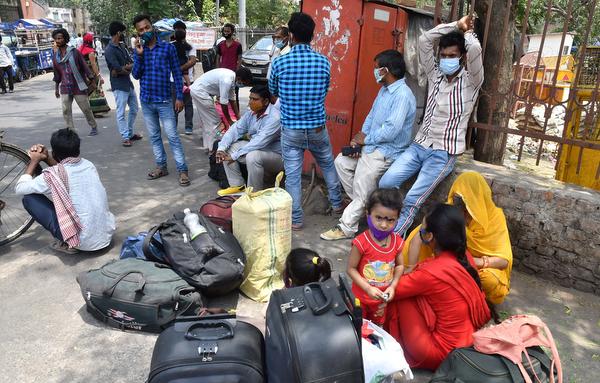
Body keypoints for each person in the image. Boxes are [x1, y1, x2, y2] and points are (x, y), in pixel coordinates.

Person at [378, 15, 483, 236]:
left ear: (462, 57)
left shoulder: (472, 81)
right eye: (443, 55)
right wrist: (455, 25)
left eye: (452, 56)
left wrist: (466, 32)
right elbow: (425, 40)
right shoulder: (435, 75)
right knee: (386, 181)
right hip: (419, 146)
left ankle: (392, 242)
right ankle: (387, 225)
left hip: (442, 154)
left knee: (412, 200)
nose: (447, 59)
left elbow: (474, 50)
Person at [321, 50, 416, 241]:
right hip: (372, 147)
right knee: (342, 162)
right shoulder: (384, 91)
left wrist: (367, 140)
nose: (374, 71)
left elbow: (391, 130)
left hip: (386, 151)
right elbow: (371, 117)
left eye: (376, 68)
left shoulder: (402, 96)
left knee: (362, 183)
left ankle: (346, 227)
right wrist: (359, 141)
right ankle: (366, 206)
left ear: (385, 70)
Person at [384, 203, 491, 370]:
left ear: (429, 236)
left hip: (441, 353)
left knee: (400, 298)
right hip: (466, 344)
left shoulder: (431, 272)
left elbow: (391, 290)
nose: (421, 232)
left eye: (423, 230)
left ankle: (391, 343)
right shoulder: (466, 258)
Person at [269, 12, 344, 230]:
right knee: (328, 164)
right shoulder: (323, 62)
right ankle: (338, 206)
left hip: (291, 129)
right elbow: (325, 89)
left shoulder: (280, 62)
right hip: (317, 127)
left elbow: (273, 92)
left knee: (292, 176)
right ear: (312, 35)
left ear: (290, 35)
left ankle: (296, 220)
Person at [402, 171, 513, 304]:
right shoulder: (449, 212)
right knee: (422, 237)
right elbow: (419, 237)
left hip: (471, 265)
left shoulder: (495, 218)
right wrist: (411, 267)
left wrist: (470, 262)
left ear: (478, 201)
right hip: (449, 263)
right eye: (458, 204)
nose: (463, 213)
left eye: (467, 208)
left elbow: (503, 261)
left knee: (489, 280)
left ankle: (467, 294)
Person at [15, 129, 115, 254]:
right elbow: (64, 170)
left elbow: (20, 188)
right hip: (106, 235)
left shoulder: (52, 175)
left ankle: (68, 243)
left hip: (82, 242)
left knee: (29, 199)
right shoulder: (88, 165)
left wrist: (34, 161)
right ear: (78, 150)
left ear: (55, 153)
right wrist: (47, 159)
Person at [132, 14, 190, 187]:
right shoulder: (139, 51)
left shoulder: (167, 48)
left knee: (172, 136)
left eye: (147, 27)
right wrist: (139, 56)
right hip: (147, 101)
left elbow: (177, 73)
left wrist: (179, 96)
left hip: (165, 100)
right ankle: (161, 166)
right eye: (140, 30)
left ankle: (182, 170)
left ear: (152, 27)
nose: (144, 31)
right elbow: (135, 74)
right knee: (155, 136)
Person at [347, 189, 405, 326]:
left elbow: (400, 265)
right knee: (358, 328)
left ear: (397, 219)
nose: (384, 225)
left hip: (381, 301)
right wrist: (367, 288)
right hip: (360, 299)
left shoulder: (397, 242)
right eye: (378, 218)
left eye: (390, 220)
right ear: (368, 213)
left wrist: (393, 286)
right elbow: (351, 269)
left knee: (376, 329)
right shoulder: (361, 242)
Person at [216, 86, 283, 194]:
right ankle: (238, 186)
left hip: (277, 157)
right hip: (258, 150)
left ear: (266, 101)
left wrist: (235, 156)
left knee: (253, 156)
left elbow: (260, 141)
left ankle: (254, 193)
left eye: (255, 99)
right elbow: (235, 130)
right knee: (228, 148)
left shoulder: (275, 117)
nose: (251, 102)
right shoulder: (251, 114)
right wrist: (221, 148)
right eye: (250, 98)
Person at [190, 67, 252, 152]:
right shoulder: (227, 80)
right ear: (239, 78)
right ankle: (213, 148)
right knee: (215, 123)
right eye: (244, 83)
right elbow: (224, 103)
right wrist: (229, 121)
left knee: (208, 122)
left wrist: (238, 118)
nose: (244, 85)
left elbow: (232, 99)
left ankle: (208, 147)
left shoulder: (232, 79)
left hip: (198, 91)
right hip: (200, 92)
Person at [51, 28, 98, 135]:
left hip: (78, 86)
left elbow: (84, 66)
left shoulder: (74, 52)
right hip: (65, 87)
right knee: (66, 111)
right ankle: (70, 130)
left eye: (60, 38)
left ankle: (93, 126)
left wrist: (92, 80)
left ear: (65, 39)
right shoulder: (55, 57)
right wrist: (56, 89)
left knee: (86, 108)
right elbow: (57, 74)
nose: (57, 40)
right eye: (56, 39)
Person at [105, 21, 142, 147]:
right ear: (118, 33)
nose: (123, 34)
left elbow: (130, 63)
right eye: (122, 32)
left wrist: (124, 68)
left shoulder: (122, 47)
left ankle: (130, 133)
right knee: (121, 112)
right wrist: (124, 68)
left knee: (134, 108)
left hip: (127, 83)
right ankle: (126, 136)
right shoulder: (109, 50)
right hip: (119, 85)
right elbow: (116, 68)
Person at [171, 20, 197, 135]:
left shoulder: (191, 46)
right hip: (174, 81)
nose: (178, 31)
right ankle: (173, 127)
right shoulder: (170, 46)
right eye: (176, 29)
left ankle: (188, 126)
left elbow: (192, 61)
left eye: (180, 29)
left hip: (187, 79)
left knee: (188, 105)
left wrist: (178, 69)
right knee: (173, 105)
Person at [78, 32, 111, 117]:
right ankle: (97, 111)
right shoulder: (90, 52)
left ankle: (90, 111)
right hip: (92, 75)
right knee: (95, 91)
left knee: (89, 92)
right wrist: (99, 75)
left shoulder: (80, 50)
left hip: (85, 75)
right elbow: (93, 64)